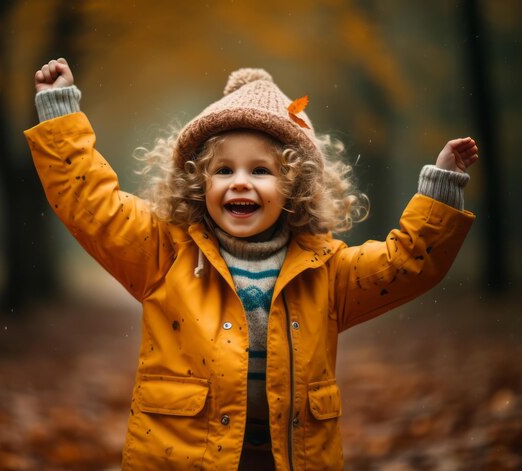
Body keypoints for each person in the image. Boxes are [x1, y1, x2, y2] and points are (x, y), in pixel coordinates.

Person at [24, 58, 477, 471]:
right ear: (198, 182)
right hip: (183, 459)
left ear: (295, 186)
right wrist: (61, 112)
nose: (240, 183)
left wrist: (441, 189)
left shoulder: (328, 270)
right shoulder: (164, 253)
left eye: (260, 171)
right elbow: (92, 205)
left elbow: (406, 265)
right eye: (223, 171)